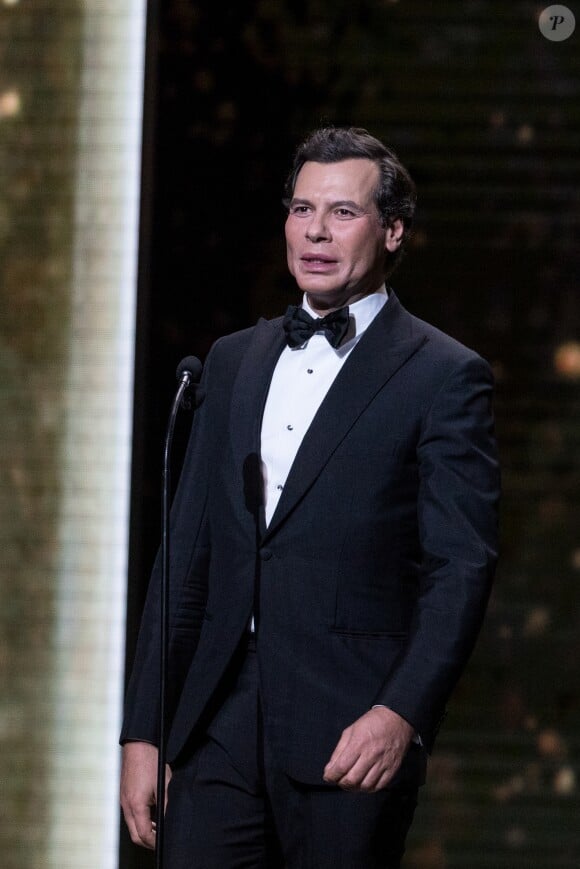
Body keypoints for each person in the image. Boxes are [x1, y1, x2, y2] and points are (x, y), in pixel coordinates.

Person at [120, 126, 500, 868]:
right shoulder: (231, 361)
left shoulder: (444, 375)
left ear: (393, 231)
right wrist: (145, 730)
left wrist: (401, 713)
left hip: (347, 730)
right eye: (301, 209)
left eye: (342, 213)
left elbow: (460, 567)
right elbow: (186, 557)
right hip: (217, 722)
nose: (315, 232)